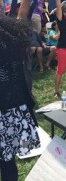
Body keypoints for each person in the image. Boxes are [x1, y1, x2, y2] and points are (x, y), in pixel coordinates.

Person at [0, 17, 40, 181]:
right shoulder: (15, 51)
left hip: (7, 112)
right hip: (13, 112)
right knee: (8, 162)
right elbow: (22, 18)